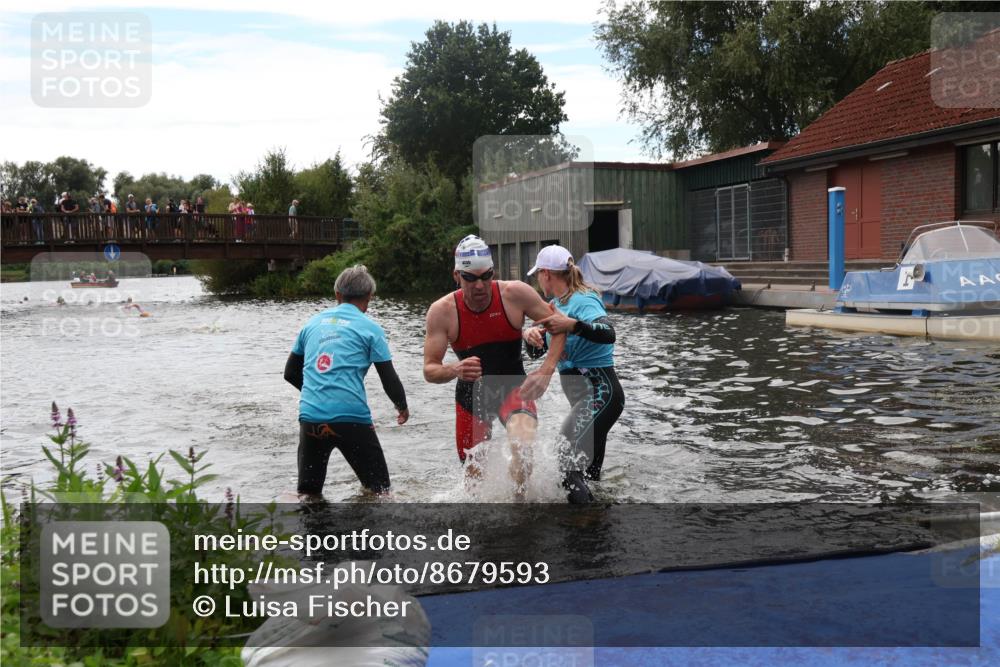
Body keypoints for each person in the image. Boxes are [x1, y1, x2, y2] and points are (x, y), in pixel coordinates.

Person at [424, 235, 575, 498]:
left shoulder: (514, 294)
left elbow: (559, 325)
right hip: (472, 396)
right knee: (473, 476)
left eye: (487, 276)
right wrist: (454, 370)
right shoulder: (442, 311)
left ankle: (520, 510)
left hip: (513, 386)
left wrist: (546, 371)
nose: (480, 285)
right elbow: (429, 369)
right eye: (471, 278)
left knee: (523, 445)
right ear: (457, 276)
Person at [284, 265, 409, 498]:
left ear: (337, 295)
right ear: (369, 297)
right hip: (351, 419)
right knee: (380, 491)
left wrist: (318, 391)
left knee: (308, 494)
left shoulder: (311, 324)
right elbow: (388, 377)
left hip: (311, 418)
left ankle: (314, 533)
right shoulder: (371, 329)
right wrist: (401, 406)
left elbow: (290, 372)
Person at [525, 245, 625, 494]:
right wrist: (531, 338)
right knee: (590, 478)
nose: (538, 279)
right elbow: (539, 353)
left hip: (601, 394)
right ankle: (594, 526)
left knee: (566, 459)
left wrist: (572, 324)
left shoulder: (583, 299)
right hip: (583, 402)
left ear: (547, 273)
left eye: (538, 274)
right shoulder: (554, 305)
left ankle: (581, 526)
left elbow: (609, 333)